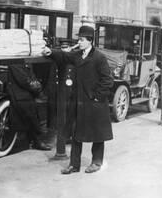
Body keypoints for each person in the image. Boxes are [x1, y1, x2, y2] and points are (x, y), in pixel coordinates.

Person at [42, 25, 114, 174]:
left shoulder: (99, 57)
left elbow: (107, 80)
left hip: (95, 103)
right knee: (76, 133)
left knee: (97, 134)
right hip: (79, 102)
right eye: (79, 40)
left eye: (81, 40)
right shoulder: (77, 55)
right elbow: (63, 56)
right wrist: (51, 52)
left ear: (90, 41)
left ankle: (96, 162)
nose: (79, 42)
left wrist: (96, 97)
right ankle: (74, 165)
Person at [6, 63, 51, 151]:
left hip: (25, 91)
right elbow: (24, 80)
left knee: (32, 107)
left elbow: (29, 77)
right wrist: (37, 88)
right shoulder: (16, 63)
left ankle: (34, 139)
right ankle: (36, 140)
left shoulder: (23, 62)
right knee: (29, 109)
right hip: (18, 92)